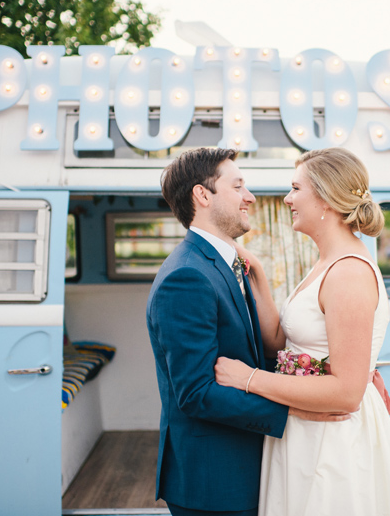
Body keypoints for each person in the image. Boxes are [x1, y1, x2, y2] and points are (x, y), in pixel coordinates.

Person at [214, 147, 390, 516]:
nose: (288, 199)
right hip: (307, 432)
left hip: (334, 444)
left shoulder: (348, 273)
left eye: (295, 188)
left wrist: (249, 379)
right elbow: (281, 341)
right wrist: (256, 272)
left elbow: (345, 393)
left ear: (324, 197)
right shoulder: (326, 262)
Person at [146, 148, 342, 516]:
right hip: (215, 481)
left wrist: (338, 368)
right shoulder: (186, 277)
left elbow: (258, 352)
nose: (249, 196)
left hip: (245, 468)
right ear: (202, 196)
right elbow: (197, 393)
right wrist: (296, 411)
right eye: (238, 186)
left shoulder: (229, 263)